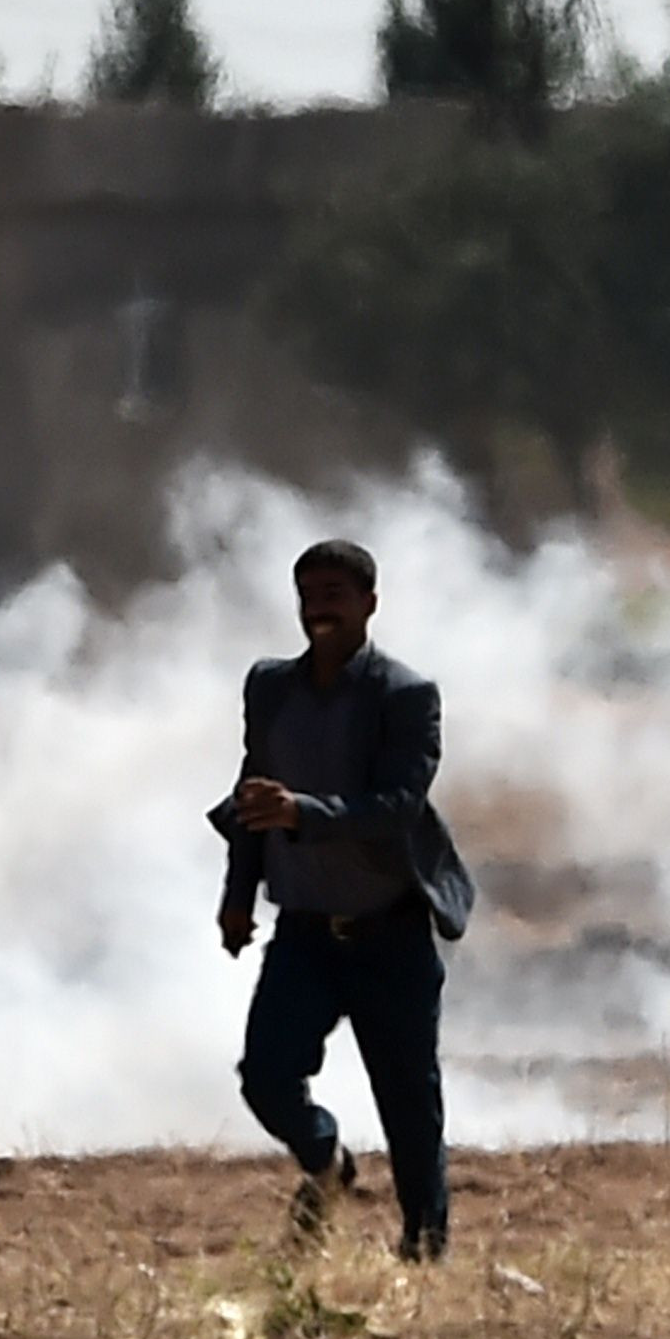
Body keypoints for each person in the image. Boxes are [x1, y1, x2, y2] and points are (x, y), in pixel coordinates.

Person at [212, 539, 473, 1263]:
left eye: (336, 593)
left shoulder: (404, 695)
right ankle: (327, 1161)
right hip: (303, 932)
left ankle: (424, 1249)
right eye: (310, 593)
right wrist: (239, 894)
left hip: (388, 929)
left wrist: (303, 813)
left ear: (369, 604)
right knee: (266, 1076)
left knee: (408, 1102)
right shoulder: (270, 687)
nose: (321, 606)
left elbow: (395, 806)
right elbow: (252, 796)